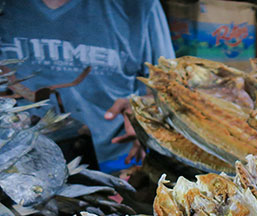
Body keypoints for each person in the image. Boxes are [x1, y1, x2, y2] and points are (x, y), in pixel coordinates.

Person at [0, 0, 175, 172]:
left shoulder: (139, 6)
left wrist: (146, 110)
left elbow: (173, 93)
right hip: (16, 167)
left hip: (116, 164)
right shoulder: (6, 9)